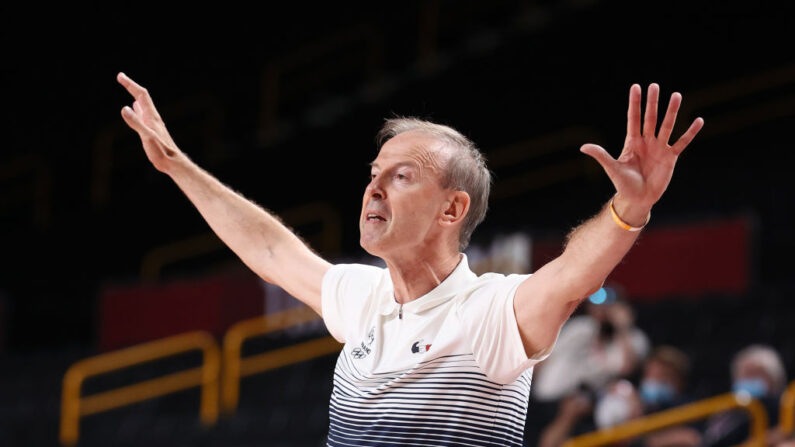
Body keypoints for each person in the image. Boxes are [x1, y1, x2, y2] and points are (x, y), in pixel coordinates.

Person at [116, 72, 704, 446]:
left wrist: (629, 206)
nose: (373, 190)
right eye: (373, 176)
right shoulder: (362, 297)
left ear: (452, 210)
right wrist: (176, 165)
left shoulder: (491, 312)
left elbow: (574, 276)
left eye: (400, 177)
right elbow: (270, 248)